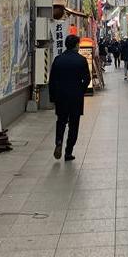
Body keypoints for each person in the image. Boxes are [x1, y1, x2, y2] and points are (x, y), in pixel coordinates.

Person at [48, 33, 90, 161]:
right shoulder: (81, 60)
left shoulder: (58, 59)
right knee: (74, 124)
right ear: (76, 45)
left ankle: (58, 141)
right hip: (76, 97)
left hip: (61, 96)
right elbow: (87, 79)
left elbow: (52, 80)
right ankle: (68, 152)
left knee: (61, 121)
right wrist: (81, 90)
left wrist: (53, 97)